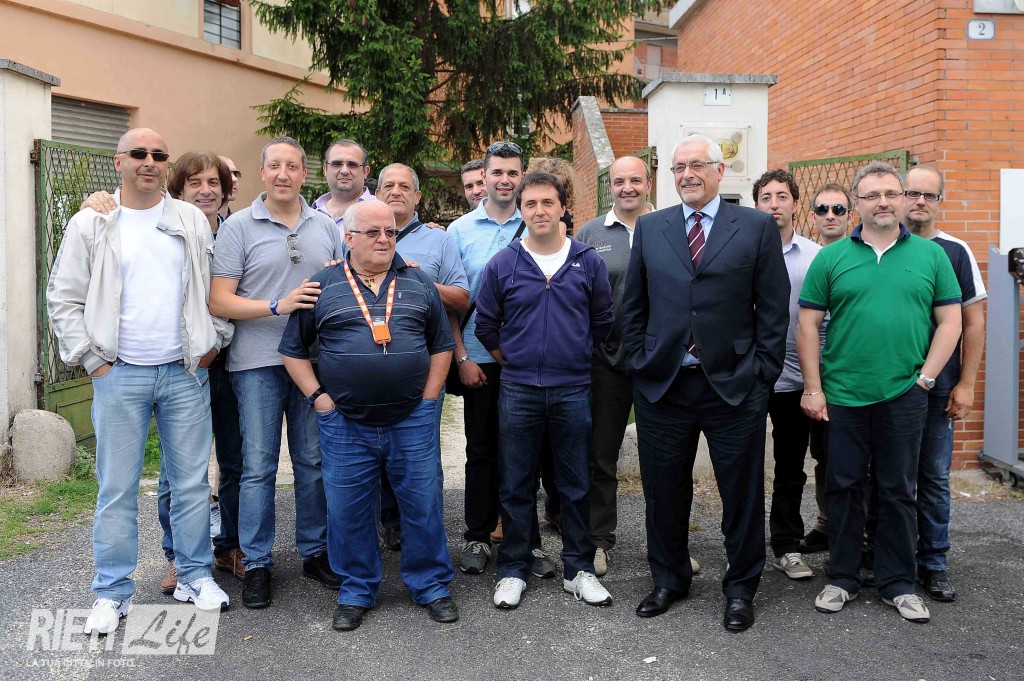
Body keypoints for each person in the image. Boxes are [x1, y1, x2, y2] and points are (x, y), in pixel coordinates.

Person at [47, 128, 234, 634]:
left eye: (158, 154)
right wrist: (92, 360)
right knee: (117, 488)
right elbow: (64, 297)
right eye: (138, 153)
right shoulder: (92, 222)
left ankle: (195, 576)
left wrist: (213, 341)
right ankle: (111, 592)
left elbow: (215, 287)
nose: (149, 161)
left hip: (184, 373)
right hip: (119, 374)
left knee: (192, 484)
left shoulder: (191, 219)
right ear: (119, 162)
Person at [621, 133, 789, 632]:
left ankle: (740, 589)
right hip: (664, 384)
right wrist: (639, 361)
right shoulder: (651, 227)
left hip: (733, 385)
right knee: (663, 492)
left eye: (697, 165)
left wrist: (762, 373)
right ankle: (668, 579)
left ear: (720, 171)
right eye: (679, 167)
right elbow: (634, 304)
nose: (687, 175)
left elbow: (773, 308)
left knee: (741, 494)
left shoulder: (755, 226)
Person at [279, 200, 458, 631]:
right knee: (348, 509)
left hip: (412, 419)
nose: (384, 239)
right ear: (349, 237)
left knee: (423, 503)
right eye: (373, 232)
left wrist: (429, 399)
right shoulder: (321, 285)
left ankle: (431, 585)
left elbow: (442, 345)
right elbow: (292, 350)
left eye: (390, 232)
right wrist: (319, 399)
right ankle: (356, 589)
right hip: (345, 423)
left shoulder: (419, 281)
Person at [798, 161, 962, 624]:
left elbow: (951, 321)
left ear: (903, 198)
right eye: (872, 195)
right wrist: (813, 387)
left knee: (898, 489)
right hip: (844, 394)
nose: (883, 202)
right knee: (844, 487)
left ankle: (898, 583)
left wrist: (926, 378)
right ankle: (842, 577)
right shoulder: (831, 258)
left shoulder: (931, 256)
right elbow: (807, 325)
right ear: (858, 203)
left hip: (905, 393)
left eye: (891, 193)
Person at [210, 136, 343, 609]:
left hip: (312, 361)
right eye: (275, 166)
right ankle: (257, 562)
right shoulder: (238, 228)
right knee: (258, 465)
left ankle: (315, 552)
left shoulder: (325, 226)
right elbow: (219, 300)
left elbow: (341, 283)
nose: (283, 174)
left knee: (313, 461)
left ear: (305, 174)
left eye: (292, 166)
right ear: (262, 172)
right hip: (257, 363)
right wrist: (276, 305)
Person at [475, 172, 615, 609]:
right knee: (516, 483)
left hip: (573, 388)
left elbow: (603, 320)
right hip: (519, 390)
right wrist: (516, 361)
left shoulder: (587, 260)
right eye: (530, 204)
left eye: (547, 203)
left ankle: (579, 569)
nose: (539, 211)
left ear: (562, 208)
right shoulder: (504, 263)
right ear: (521, 210)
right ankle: (513, 569)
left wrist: (572, 355)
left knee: (575, 484)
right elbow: (486, 325)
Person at [446, 141, 555, 579]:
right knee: (481, 450)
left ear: (521, 176)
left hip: (529, 360)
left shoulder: (537, 222)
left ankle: (525, 540)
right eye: (497, 173)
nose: (505, 180)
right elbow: (453, 303)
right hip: (479, 358)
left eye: (513, 173)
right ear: (484, 177)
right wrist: (461, 357)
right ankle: (477, 535)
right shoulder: (458, 231)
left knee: (527, 454)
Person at [898, 165, 986, 602]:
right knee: (887, 476)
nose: (920, 201)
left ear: (939, 201)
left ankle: (933, 562)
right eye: (912, 193)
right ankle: (887, 556)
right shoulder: (882, 246)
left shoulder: (955, 251)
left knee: (932, 476)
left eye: (929, 195)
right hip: (888, 386)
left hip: (938, 387)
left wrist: (966, 383)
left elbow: (973, 322)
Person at [374, 163, 469, 551]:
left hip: (424, 366)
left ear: (417, 197)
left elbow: (461, 299)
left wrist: (419, 279)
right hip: (370, 367)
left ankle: (426, 533)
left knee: (421, 455)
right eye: (388, 185)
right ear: (376, 194)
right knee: (376, 451)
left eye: (404, 186)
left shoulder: (438, 241)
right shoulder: (358, 236)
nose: (395, 191)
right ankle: (391, 523)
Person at [753, 169, 822, 581]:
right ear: (756, 205)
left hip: (795, 378)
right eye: (766, 197)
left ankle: (786, 545)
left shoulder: (815, 256)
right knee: (743, 467)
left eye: (782, 196)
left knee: (791, 467)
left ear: (796, 203)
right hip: (748, 377)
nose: (774, 204)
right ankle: (742, 548)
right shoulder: (741, 251)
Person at [799, 182, 855, 554]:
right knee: (823, 455)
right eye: (822, 209)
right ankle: (826, 522)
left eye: (838, 209)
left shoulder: (862, 255)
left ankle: (860, 533)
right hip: (814, 371)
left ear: (850, 214)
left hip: (850, 370)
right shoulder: (808, 256)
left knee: (855, 460)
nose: (830, 215)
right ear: (813, 215)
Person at [312, 139, 375, 227]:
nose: (344, 171)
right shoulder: (311, 214)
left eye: (352, 165)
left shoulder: (381, 211)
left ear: (366, 171)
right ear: (325, 169)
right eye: (337, 164)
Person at [218, 155, 241, 223]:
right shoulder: (195, 223)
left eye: (235, 174)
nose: (234, 179)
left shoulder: (239, 224)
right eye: (226, 174)